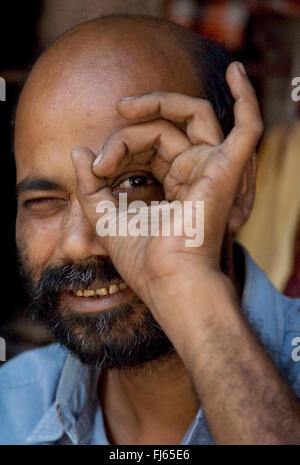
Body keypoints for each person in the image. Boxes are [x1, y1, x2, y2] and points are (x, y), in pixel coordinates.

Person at [0, 14, 299, 445]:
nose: (79, 242)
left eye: (134, 185)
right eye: (43, 202)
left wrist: (187, 289)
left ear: (237, 188)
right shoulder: (12, 412)